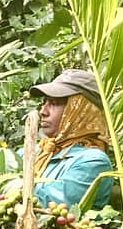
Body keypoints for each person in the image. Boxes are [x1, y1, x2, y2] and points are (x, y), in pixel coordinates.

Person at [28, 69, 113, 209]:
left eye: (54, 103)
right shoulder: (38, 151)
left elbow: (50, 205)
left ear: (79, 110)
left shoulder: (93, 162)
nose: (43, 111)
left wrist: (10, 186)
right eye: (44, 102)